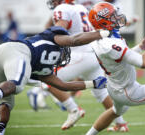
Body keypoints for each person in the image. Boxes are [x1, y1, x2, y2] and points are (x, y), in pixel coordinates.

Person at [0, 25, 109, 135]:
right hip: (16, 50)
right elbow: (74, 40)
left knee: (7, 102)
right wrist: (100, 34)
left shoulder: (45, 70)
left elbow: (64, 86)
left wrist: (93, 83)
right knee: (17, 86)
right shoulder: (55, 39)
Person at [29, 0, 128, 131]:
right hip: (93, 54)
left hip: (78, 54)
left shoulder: (63, 8)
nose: (52, 2)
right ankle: (121, 124)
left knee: (45, 78)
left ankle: (73, 109)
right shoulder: (80, 7)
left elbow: (59, 31)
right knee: (102, 93)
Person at [85, 2, 145, 135]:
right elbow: (144, 63)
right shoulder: (110, 44)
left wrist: (143, 45)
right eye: (112, 16)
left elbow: (123, 57)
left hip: (114, 86)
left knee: (115, 112)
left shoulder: (104, 38)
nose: (117, 17)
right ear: (104, 22)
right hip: (128, 91)